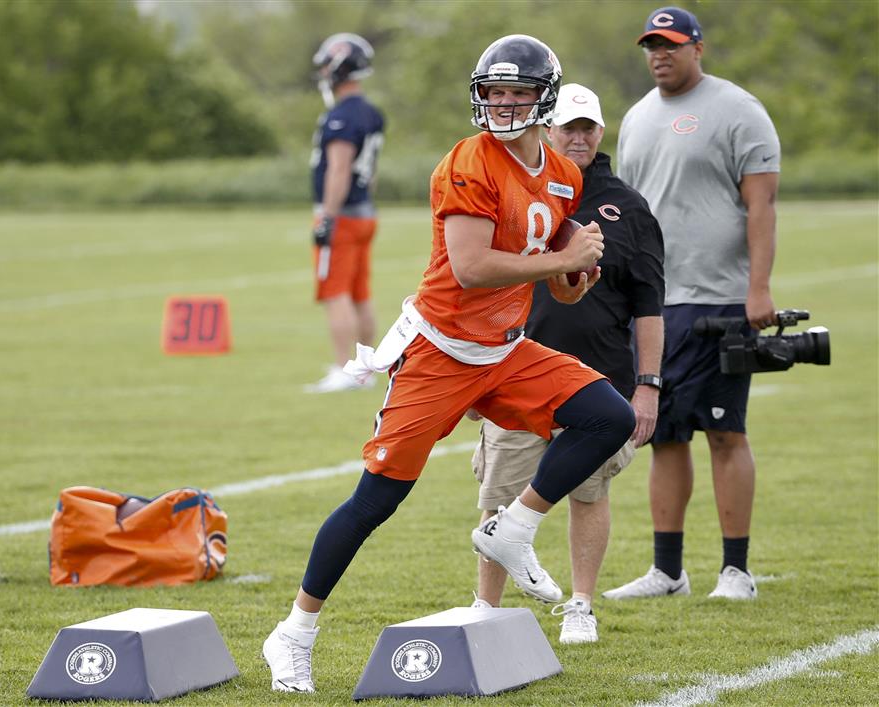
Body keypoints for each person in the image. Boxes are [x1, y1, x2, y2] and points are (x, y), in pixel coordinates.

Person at [262, 35, 636, 693]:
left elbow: (554, 272)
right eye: (492, 91)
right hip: (442, 349)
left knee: (608, 415)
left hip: (504, 349)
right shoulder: (469, 161)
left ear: (542, 96)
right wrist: (563, 261)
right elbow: (474, 266)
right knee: (376, 499)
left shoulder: (562, 172)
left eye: (517, 91)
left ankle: (512, 528)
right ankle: (294, 631)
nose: (502, 103)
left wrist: (575, 271)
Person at [469, 83, 665, 644]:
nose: (578, 137)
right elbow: (478, 277)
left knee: (589, 492)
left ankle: (580, 605)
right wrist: (473, 372)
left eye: (588, 128)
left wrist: (648, 385)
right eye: (568, 127)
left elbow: (650, 303)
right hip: (513, 373)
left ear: (601, 132)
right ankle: (486, 608)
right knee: (499, 496)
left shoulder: (627, 205)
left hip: (600, 379)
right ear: (546, 128)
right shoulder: (513, 187)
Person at [605, 6, 780, 602]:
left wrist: (758, 287)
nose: (660, 54)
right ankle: (668, 572)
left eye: (672, 45)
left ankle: (736, 570)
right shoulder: (635, 118)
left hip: (720, 301)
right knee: (665, 435)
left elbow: (762, 206)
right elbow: (629, 212)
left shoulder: (737, 109)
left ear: (697, 48)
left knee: (725, 433)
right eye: (652, 46)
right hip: (656, 304)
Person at [304, 33, 386, 393]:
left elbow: (339, 168)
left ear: (339, 66)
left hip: (344, 214)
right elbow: (370, 171)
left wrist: (327, 215)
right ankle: (364, 368)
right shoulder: (371, 112)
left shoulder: (343, 115)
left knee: (335, 292)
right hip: (365, 212)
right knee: (359, 293)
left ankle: (345, 369)